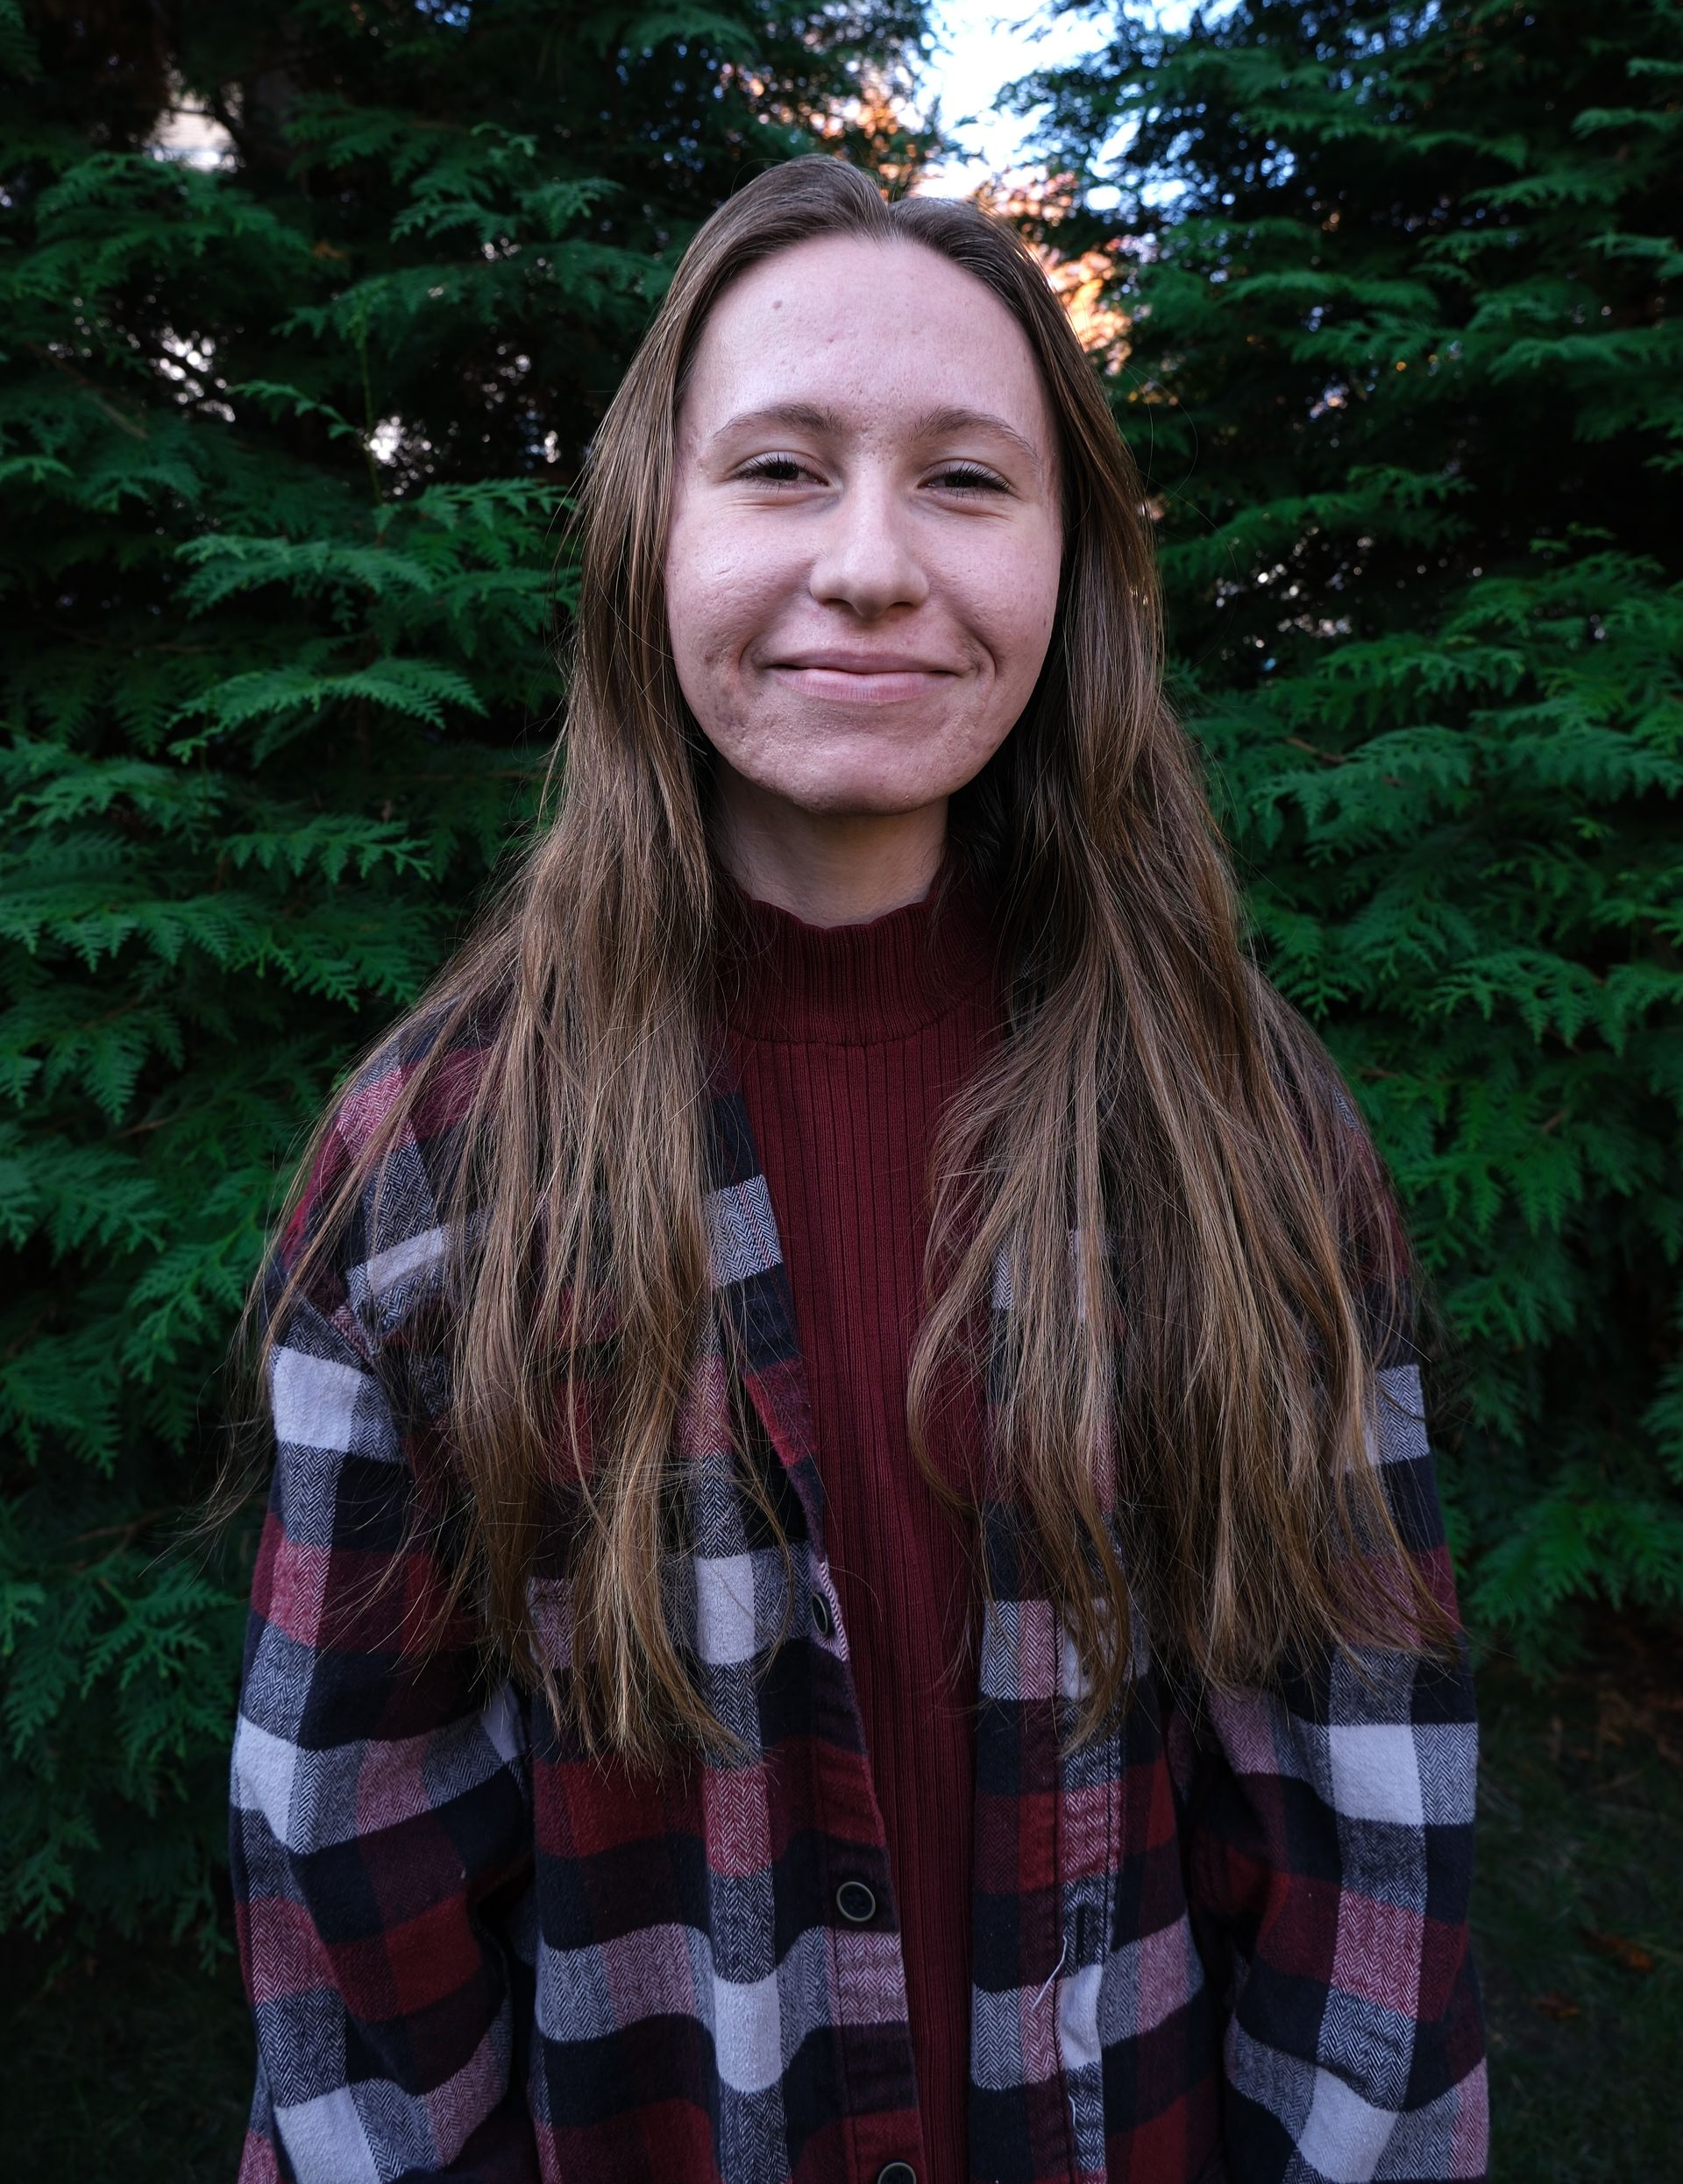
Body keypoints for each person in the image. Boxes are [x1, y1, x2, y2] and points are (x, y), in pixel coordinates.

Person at [228, 156, 1488, 2184]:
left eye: (970, 481)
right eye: (786, 469)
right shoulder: (433, 1167)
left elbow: (1370, 1834)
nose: (877, 565)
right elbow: (345, 1876)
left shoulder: (1243, 1131)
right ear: (656, 531)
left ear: (1074, 562)